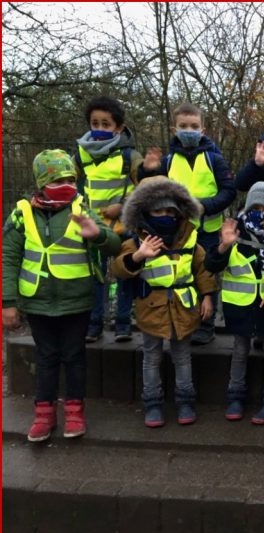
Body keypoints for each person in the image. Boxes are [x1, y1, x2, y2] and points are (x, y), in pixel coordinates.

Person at [2, 149, 121, 442]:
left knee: (74, 357)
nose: (64, 185)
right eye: (56, 180)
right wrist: (7, 302)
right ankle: (43, 414)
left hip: (76, 302)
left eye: (69, 178)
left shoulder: (82, 208)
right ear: (41, 183)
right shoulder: (22, 214)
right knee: (46, 358)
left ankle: (74, 411)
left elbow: (115, 245)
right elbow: (8, 258)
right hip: (38, 303)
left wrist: (99, 235)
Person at [111, 178, 217, 427]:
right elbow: (119, 268)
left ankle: (185, 401)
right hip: (152, 307)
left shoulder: (189, 238)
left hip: (184, 307)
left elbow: (203, 270)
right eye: (159, 211)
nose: (166, 216)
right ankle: (152, 403)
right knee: (151, 357)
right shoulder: (137, 240)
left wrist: (209, 297)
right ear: (146, 212)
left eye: (171, 211)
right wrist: (138, 256)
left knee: (182, 357)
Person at [141, 102, 236, 345]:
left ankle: (207, 325)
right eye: (184, 126)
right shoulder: (168, 161)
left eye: (194, 126)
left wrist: (206, 205)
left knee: (207, 273)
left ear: (203, 130)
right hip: (176, 231)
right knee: (182, 276)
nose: (189, 130)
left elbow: (229, 191)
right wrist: (146, 172)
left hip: (207, 228)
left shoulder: (215, 159)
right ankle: (184, 321)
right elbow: (153, 190)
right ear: (175, 129)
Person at [204, 182, 264, 424]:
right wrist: (224, 245)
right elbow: (211, 266)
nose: (259, 212)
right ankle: (235, 396)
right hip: (240, 309)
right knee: (239, 351)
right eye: (254, 207)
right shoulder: (235, 234)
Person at [75, 96, 145, 343]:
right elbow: (72, 186)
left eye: (106, 124)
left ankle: (123, 324)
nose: (100, 129)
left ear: (118, 128)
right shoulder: (81, 154)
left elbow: (144, 187)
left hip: (123, 226)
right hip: (93, 227)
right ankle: (94, 324)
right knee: (96, 276)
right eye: (95, 123)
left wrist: (123, 206)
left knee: (124, 274)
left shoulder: (130, 156)